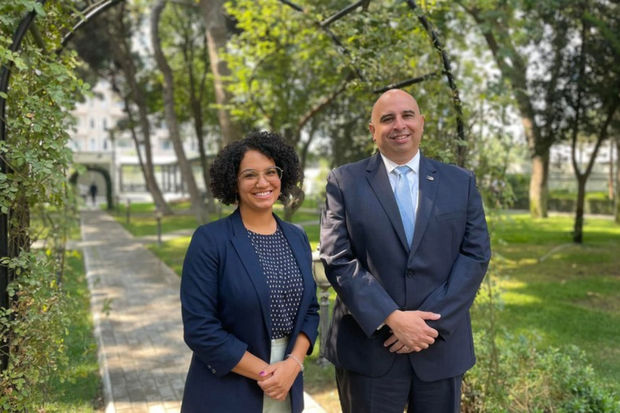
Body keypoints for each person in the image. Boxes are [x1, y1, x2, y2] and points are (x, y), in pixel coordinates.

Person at [319, 89, 491, 413]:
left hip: (439, 349)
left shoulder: (460, 182)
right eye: (388, 119)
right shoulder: (344, 182)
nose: (399, 125)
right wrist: (391, 317)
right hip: (368, 351)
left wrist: (427, 326)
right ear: (373, 131)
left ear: (421, 123)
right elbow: (336, 257)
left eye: (407, 115)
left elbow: (475, 255)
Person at [180, 130, 320, 413]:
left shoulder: (297, 237)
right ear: (233, 182)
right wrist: (267, 374)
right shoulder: (210, 240)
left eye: (271, 172)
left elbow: (310, 311)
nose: (262, 182)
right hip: (229, 388)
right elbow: (200, 329)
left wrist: (293, 365)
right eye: (249, 175)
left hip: (287, 382)